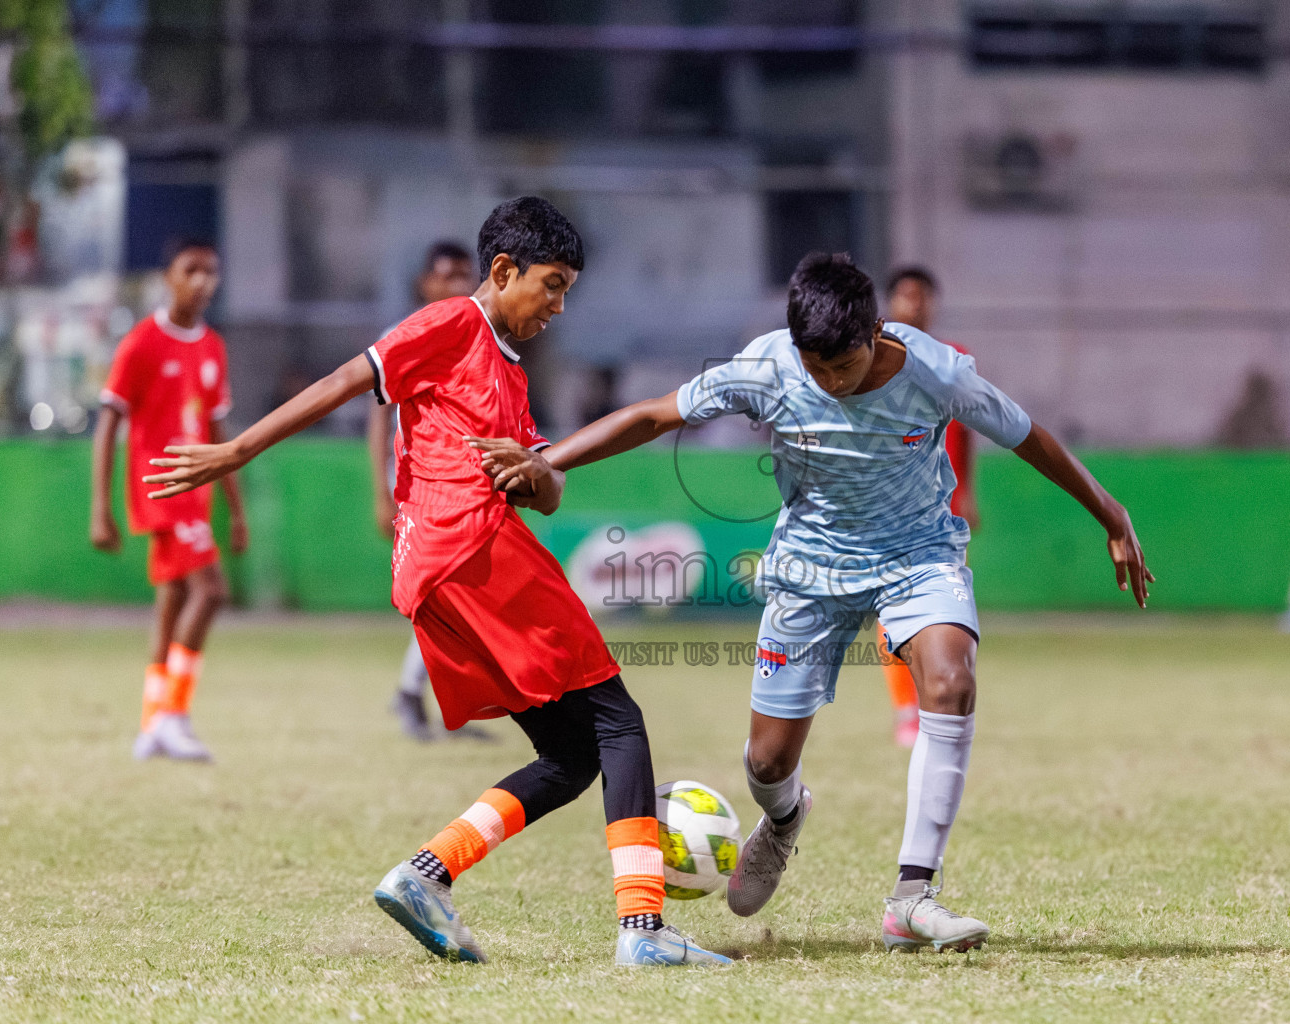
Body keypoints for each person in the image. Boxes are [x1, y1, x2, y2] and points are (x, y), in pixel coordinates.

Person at [481, 252, 1152, 954]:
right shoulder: (767, 368)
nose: (830, 383)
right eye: (816, 368)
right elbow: (654, 416)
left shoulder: (936, 371)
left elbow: (1028, 436)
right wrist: (545, 460)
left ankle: (912, 899)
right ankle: (785, 817)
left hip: (919, 556)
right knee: (767, 763)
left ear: (875, 334)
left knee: (951, 683)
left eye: (844, 367)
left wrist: (1111, 514)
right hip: (809, 569)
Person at [141, 197, 728, 968]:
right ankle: (644, 933)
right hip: (474, 551)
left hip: (435, 572)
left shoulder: (509, 375)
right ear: (503, 270)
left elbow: (544, 489)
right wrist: (237, 450)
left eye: (567, 291)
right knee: (619, 721)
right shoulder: (455, 321)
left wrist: (539, 471)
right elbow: (349, 378)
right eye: (550, 285)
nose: (558, 305)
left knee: (571, 755)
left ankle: (425, 876)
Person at [90, 238, 247, 763]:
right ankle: (174, 717)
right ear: (169, 277)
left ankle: (151, 722)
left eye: (212, 271)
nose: (203, 280)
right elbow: (109, 420)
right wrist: (101, 507)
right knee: (213, 590)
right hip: (160, 488)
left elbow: (218, 429)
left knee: (175, 602)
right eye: (192, 269)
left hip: (194, 491)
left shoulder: (212, 347)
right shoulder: (142, 342)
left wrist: (237, 508)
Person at [366, 239, 495, 743]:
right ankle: (415, 694)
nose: (458, 285)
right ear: (425, 283)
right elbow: (379, 418)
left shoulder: (479, 333)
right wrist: (381, 490)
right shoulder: (406, 335)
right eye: (447, 275)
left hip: (467, 490)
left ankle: (441, 701)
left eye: (465, 275)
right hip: (421, 490)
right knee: (441, 594)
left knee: (460, 597)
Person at [877, 266, 978, 748]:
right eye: (904, 295)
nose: (913, 304)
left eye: (921, 296)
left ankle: (934, 702)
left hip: (941, 512)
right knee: (889, 607)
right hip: (886, 507)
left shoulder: (953, 361)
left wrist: (969, 492)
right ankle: (907, 711)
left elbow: (970, 431)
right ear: (891, 301)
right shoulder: (871, 361)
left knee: (944, 609)